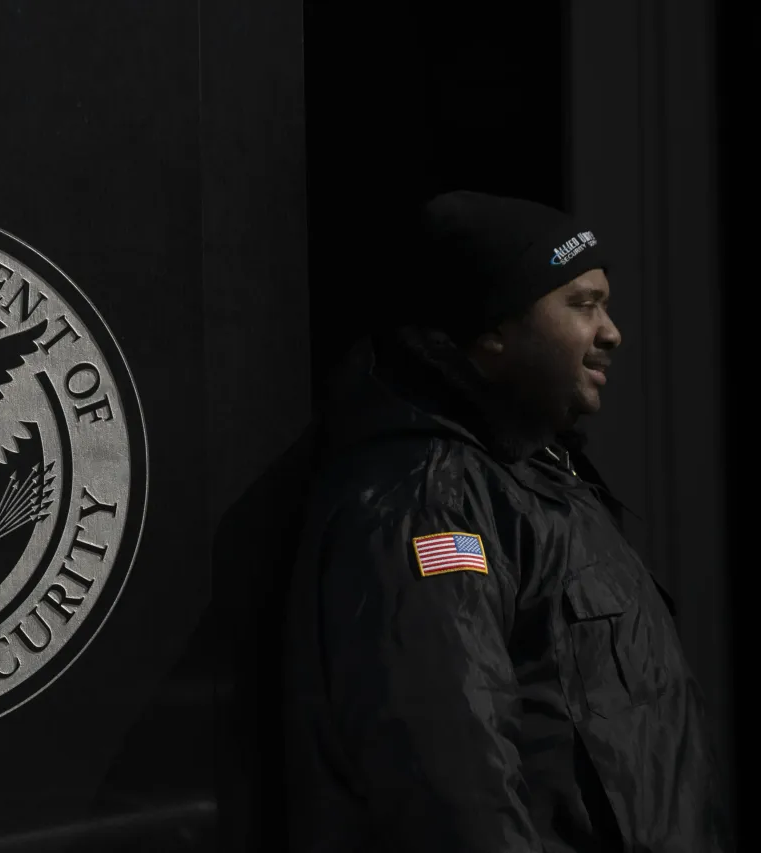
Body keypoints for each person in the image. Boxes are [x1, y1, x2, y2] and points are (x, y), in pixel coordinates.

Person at [282, 191, 732, 852]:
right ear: (491, 327)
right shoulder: (432, 497)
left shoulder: (537, 476)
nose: (611, 332)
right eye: (582, 304)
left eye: (605, 303)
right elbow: (450, 777)